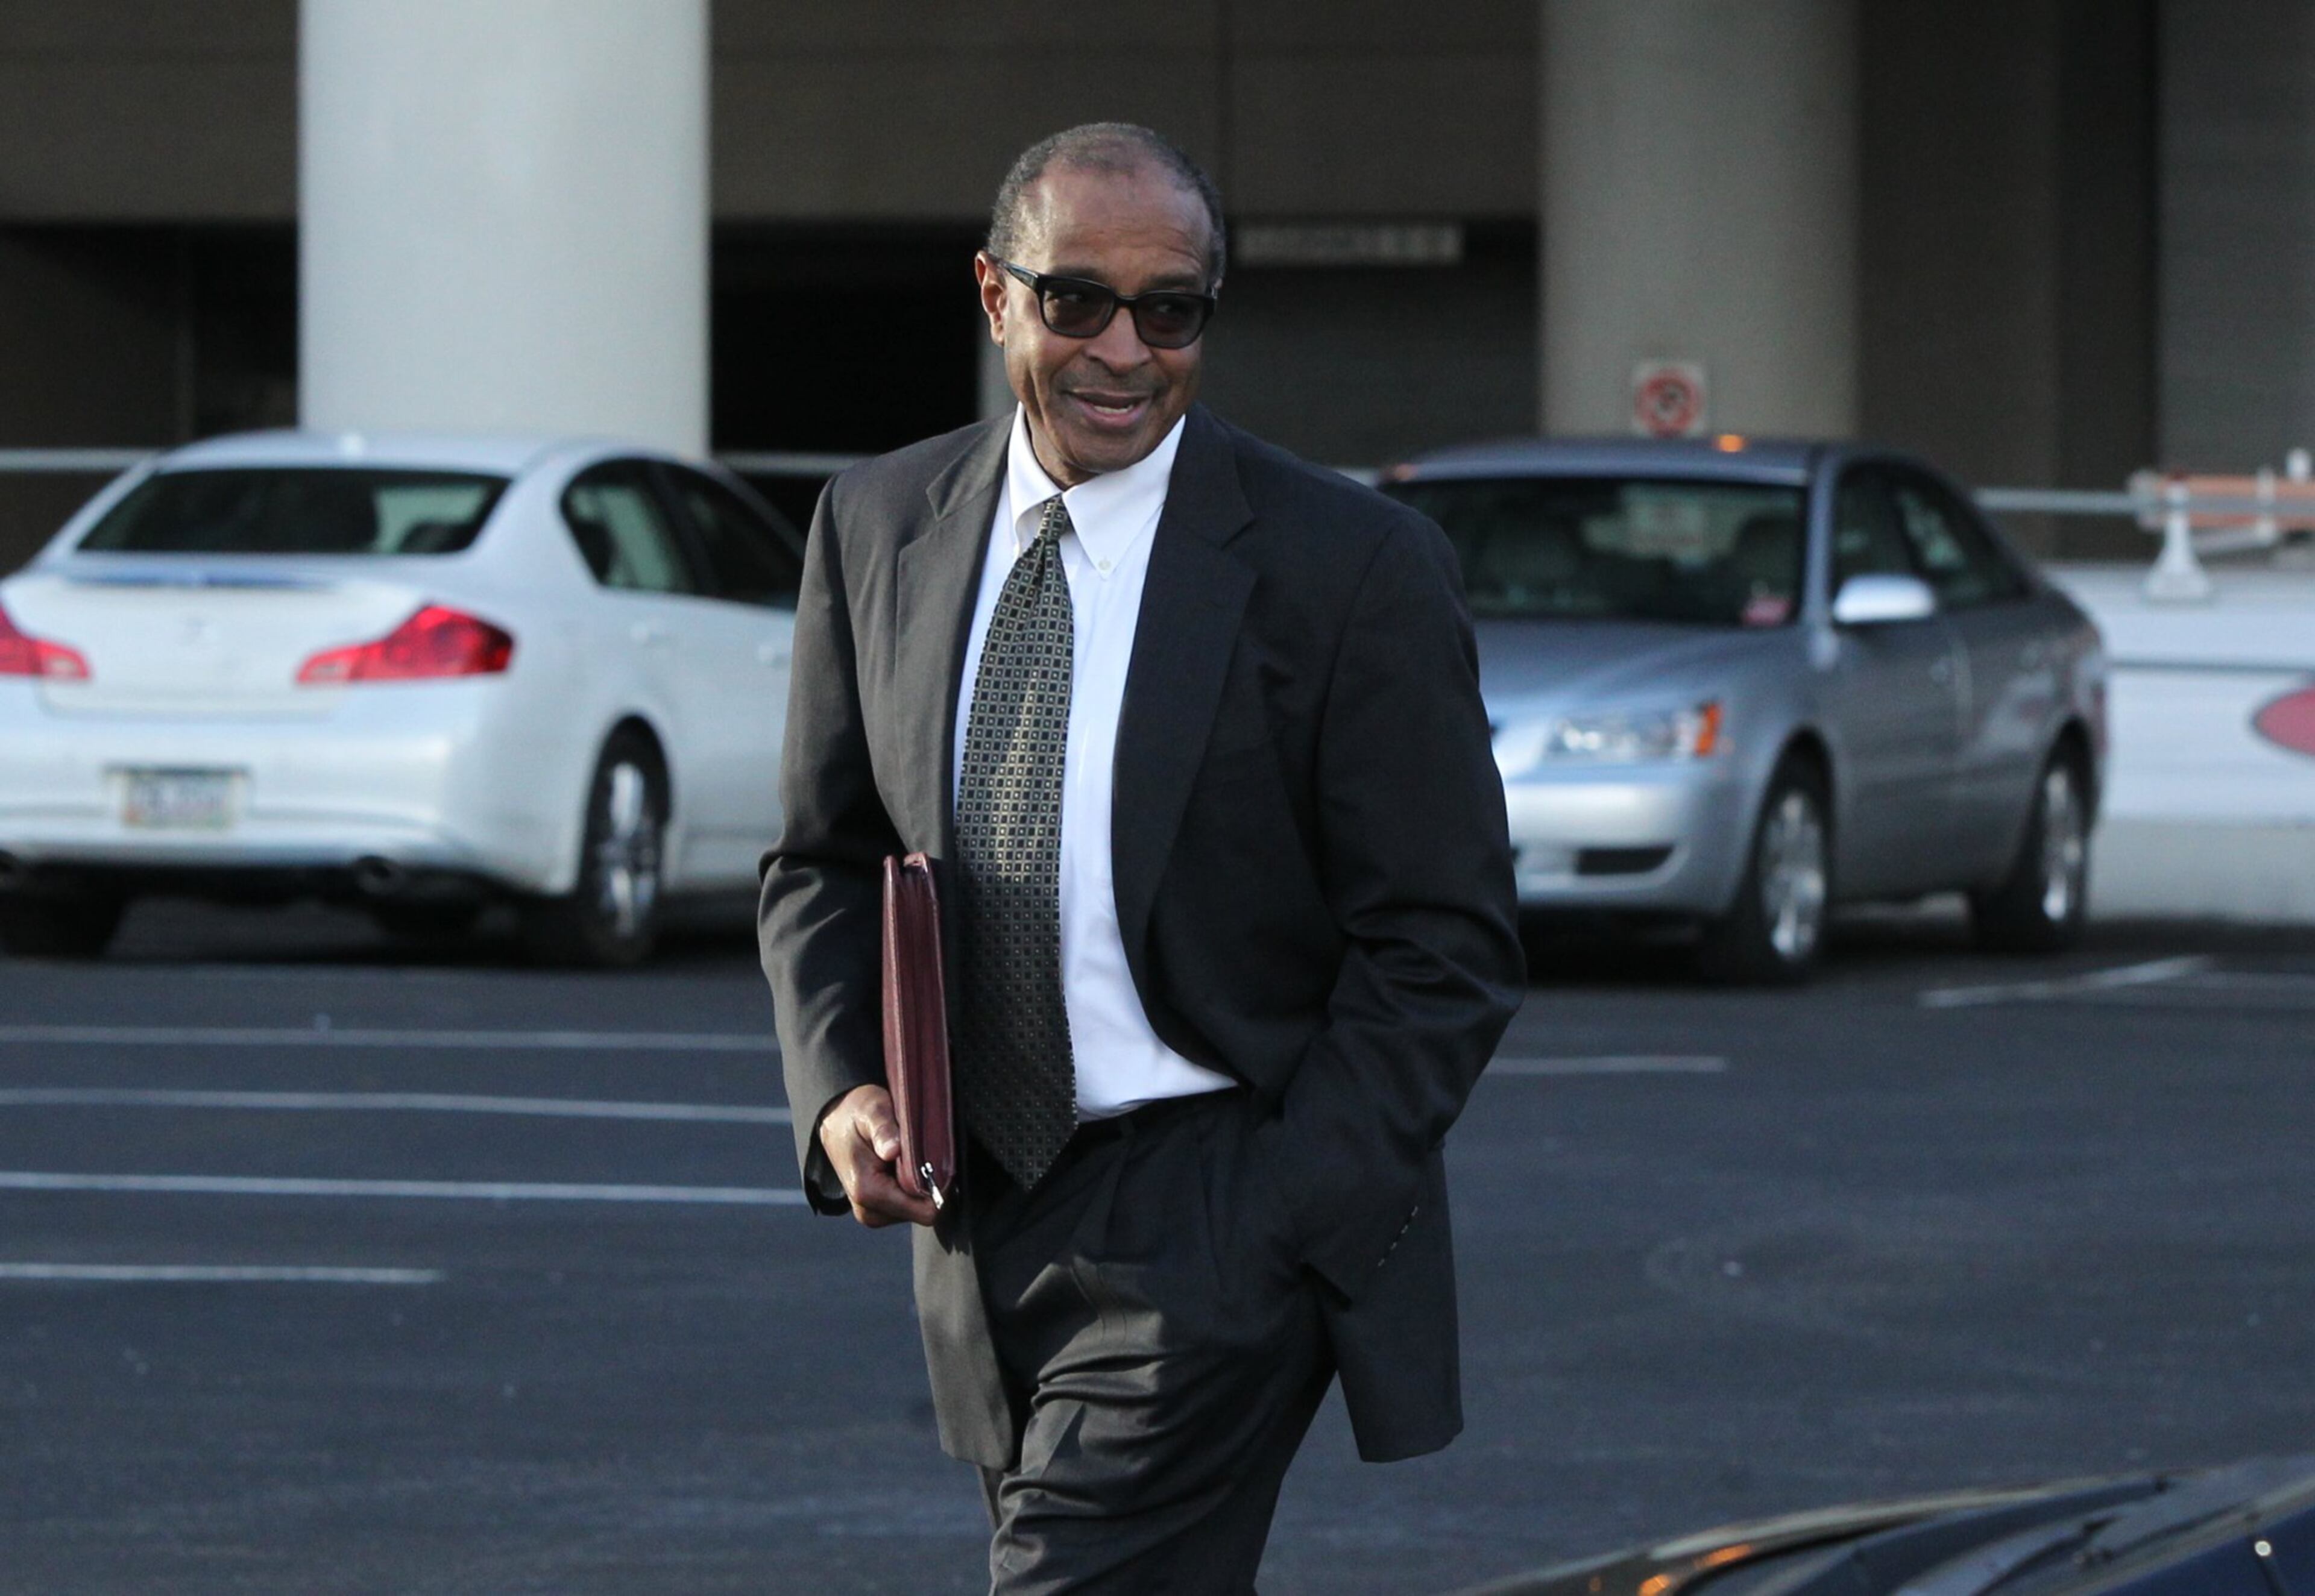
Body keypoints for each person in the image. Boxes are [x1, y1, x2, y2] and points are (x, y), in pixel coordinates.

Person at [758, 122, 1523, 1592]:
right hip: (979, 1213)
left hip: (1215, 1211)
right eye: (1077, 301)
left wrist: (1289, 1213)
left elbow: (1448, 939)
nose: (1124, 348)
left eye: (1170, 310)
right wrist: (844, 1087)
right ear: (995, 297)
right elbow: (825, 859)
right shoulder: (877, 524)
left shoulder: (1347, 567)